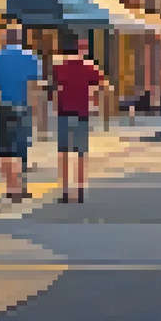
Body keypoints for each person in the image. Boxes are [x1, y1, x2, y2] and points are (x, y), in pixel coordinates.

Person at [0, 27, 42, 202]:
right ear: (20, 39)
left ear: (5, 40)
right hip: (23, 107)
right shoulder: (31, 58)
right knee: (20, 149)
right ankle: (21, 187)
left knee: (5, 149)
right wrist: (37, 113)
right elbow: (34, 88)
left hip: (3, 107)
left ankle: (10, 188)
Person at [52, 36, 103, 204]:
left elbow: (55, 89)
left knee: (64, 153)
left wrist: (55, 107)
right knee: (81, 153)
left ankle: (65, 190)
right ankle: (80, 189)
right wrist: (94, 102)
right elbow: (100, 86)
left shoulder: (60, 67)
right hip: (82, 113)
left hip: (64, 113)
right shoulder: (90, 67)